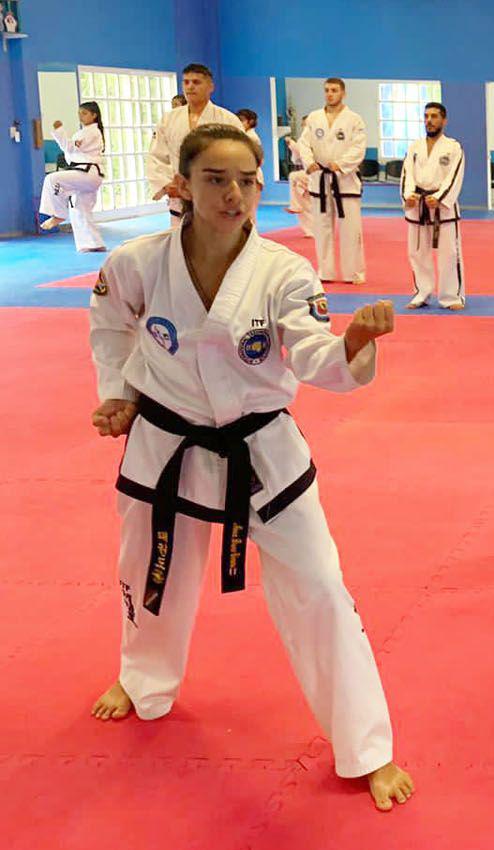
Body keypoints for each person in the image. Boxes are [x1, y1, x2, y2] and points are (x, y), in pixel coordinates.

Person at [86, 124, 414, 812]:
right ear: (182, 185)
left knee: (322, 586)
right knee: (149, 571)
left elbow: (314, 353)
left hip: (260, 451)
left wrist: (351, 340)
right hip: (166, 443)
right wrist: (116, 393)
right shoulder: (137, 263)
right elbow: (109, 324)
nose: (234, 194)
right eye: (215, 179)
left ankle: (366, 744)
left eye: (246, 182)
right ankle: (142, 678)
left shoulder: (283, 271)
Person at [147, 64, 242, 229]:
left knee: (216, 243)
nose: (190, 87)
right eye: (186, 82)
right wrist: (167, 185)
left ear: (210, 86)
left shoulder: (228, 119)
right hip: (179, 192)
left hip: (216, 192)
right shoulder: (169, 119)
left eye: (196, 82)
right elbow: (157, 155)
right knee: (180, 244)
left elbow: (241, 156)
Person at [299, 77, 368, 285]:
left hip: (344, 179)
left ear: (343, 93)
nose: (330, 94)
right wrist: (309, 162)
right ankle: (325, 271)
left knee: (351, 229)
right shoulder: (314, 117)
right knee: (321, 228)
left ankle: (353, 273)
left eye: (334, 90)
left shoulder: (354, 119)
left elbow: (359, 147)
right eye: (327, 90)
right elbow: (304, 143)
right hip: (319, 178)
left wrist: (341, 164)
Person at [401, 102, 465, 310]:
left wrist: (439, 197)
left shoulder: (453, 147)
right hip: (418, 205)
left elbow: (455, 176)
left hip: (443, 208)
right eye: (427, 116)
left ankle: (451, 296)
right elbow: (407, 173)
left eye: (434, 116)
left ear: (444, 120)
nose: (429, 120)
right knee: (417, 252)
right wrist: (408, 195)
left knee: (450, 254)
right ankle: (422, 293)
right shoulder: (415, 147)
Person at [38, 100, 106, 252]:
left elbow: (69, 147)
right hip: (88, 174)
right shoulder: (85, 132)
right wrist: (60, 135)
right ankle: (93, 243)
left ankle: (58, 214)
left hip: (88, 173)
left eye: (84, 113)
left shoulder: (91, 132)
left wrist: (59, 131)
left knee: (52, 179)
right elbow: (70, 151)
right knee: (80, 209)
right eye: (79, 113)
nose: (80, 116)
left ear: (94, 115)